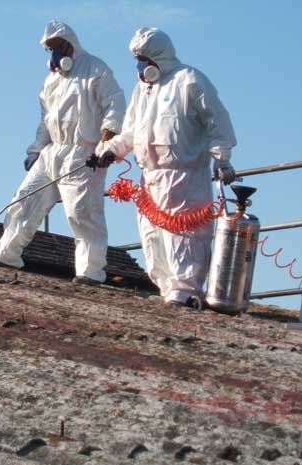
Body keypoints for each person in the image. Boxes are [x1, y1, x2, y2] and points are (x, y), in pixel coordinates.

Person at [0, 21, 126, 285]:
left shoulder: (96, 70)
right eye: (49, 49)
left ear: (69, 44)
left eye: (56, 47)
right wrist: (36, 150)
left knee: (82, 213)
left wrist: (104, 148)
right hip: (53, 152)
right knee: (24, 200)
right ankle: (7, 255)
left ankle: (91, 273)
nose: (54, 54)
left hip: (84, 154)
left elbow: (114, 109)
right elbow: (46, 120)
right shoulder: (51, 81)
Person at [99, 27, 237, 308]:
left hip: (184, 177)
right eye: (137, 58)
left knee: (183, 236)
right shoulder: (144, 89)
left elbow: (218, 122)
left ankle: (186, 293)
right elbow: (131, 131)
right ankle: (166, 290)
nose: (140, 66)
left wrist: (222, 159)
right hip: (149, 177)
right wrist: (109, 150)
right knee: (153, 238)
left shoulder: (190, 81)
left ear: (159, 56)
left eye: (144, 58)